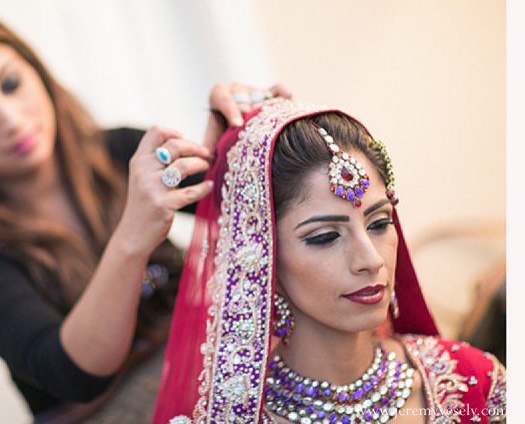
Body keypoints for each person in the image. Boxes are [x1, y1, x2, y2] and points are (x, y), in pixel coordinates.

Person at [0, 6, 292, 421]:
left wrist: (255, 137)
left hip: (201, 369)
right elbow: (75, 376)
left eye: (11, 84)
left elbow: (258, 204)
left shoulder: (118, 153)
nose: (10, 120)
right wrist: (132, 238)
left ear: (37, 73)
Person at [153, 98, 507, 423]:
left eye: (380, 223)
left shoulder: (474, 383)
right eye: (325, 237)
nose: (370, 260)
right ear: (264, 259)